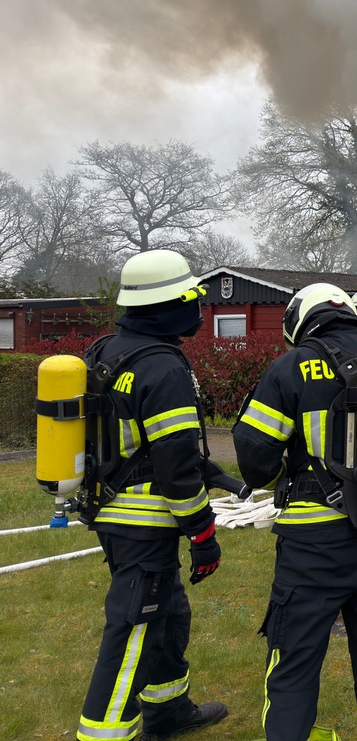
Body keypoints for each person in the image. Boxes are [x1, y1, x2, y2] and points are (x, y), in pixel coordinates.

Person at [232, 282, 357, 741]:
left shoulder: (289, 369)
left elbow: (255, 461)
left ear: (299, 322)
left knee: (294, 659)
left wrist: (295, 471)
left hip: (314, 547)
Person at [75, 249, 227, 741]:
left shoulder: (106, 351)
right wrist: (203, 535)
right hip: (144, 521)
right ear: (169, 306)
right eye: (192, 299)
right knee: (133, 630)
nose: (198, 309)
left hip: (110, 510)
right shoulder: (162, 368)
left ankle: (168, 712)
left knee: (167, 613)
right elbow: (176, 468)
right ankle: (102, 733)